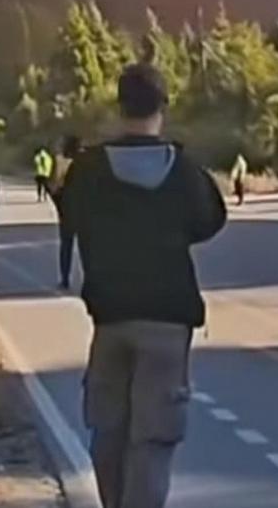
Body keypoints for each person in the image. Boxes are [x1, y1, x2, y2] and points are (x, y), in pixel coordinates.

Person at [62, 63, 227, 508]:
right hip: (168, 321)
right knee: (152, 441)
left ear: (120, 106)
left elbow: (72, 215)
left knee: (107, 432)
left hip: (111, 316)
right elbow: (210, 220)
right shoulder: (185, 169)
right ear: (163, 106)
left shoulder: (88, 169)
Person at [49, 134, 82, 289]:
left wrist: (57, 202)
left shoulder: (60, 161)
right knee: (87, 247)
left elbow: (54, 185)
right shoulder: (86, 161)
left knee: (66, 245)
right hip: (84, 208)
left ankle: (64, 278)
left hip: (67, 207)